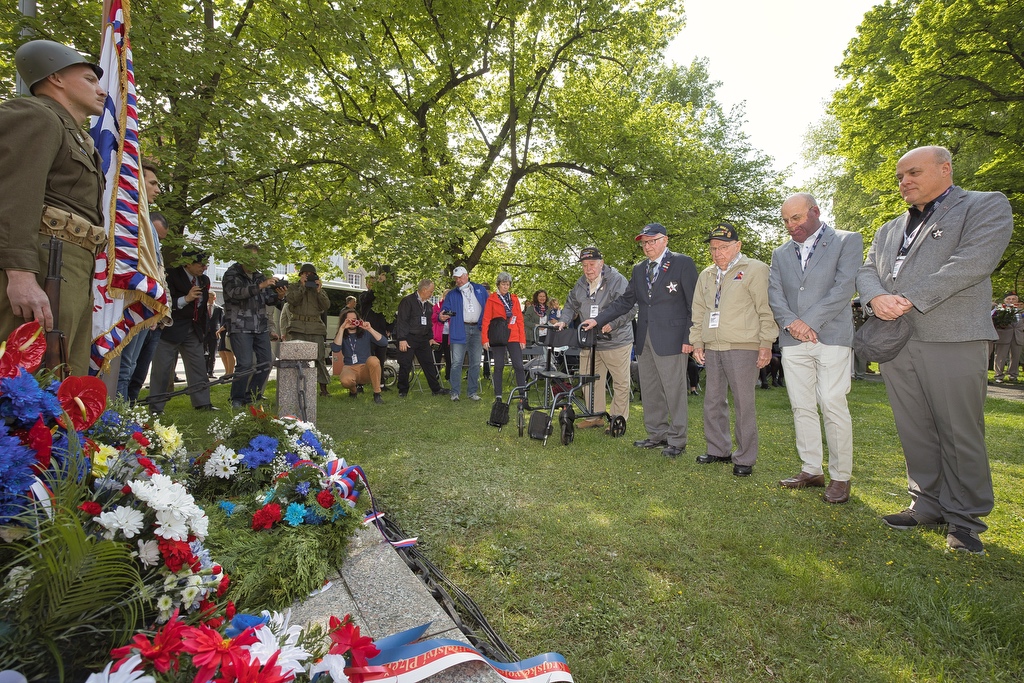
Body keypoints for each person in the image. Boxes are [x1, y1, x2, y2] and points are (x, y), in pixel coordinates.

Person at [857, 145, 1013, 554]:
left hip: (952, 336)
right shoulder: (890, 227)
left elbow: (972, 262)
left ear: (945, 169)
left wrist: (906, 297)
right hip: (897, 340)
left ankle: (965, 521)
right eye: (899, 177)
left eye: (913, 173)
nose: (904, 182)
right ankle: (926, 504)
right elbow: (868, 268)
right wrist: (875, 299)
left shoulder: (984, 205)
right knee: (915, 429)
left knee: (959, 431)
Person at [1, 40, 106, 376]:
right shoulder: (35, 115)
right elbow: (15, 195)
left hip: (69, 266)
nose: (101, 90)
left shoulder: (75, 135)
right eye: (90, 80)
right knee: (25, 384)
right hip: (44, 263)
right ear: (56, 78)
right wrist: (20, 275)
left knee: (62, 380)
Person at [768, 193, 863, 503]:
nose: (790, 225)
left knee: (832, 403)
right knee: (801, 405)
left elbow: (844, 287)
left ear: (815, 212)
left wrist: (808, 322)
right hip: (793, 341)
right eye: (785, 221)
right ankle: (811, 469)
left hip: (831, 337)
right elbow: (775, 294)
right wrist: (792, 323)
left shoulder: (847, 241)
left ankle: (840, 476)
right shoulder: (780, 253)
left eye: (796, 218)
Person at [581, 223, 698, 458]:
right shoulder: (639, 269)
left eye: (652, 241)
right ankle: (656, 434)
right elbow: (624, 302)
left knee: (674, 390)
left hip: (674, 339)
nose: (647, 246)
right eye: (644, 242)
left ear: (665, 240)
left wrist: (690, 337)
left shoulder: (682, 263)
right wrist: (597, 320)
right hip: (644, 338)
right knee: (651, 389)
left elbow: (694, 303)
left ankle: (677, 440)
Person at [689, 222, 778, 476]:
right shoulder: (706, 275)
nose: (717, 253)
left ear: (737, 246)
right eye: (713, 248)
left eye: (723, 247)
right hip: (712, 346)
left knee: (743, 402)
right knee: (713, 401)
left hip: (743, 346)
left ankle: (745, 457)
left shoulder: (755, 269)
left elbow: (766, 309)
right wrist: (697, 341)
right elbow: (699, 312)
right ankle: (718, 449)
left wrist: (765, 344)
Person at [558, 247, 634, 430]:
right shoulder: (581, 283)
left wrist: (612, 323)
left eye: (592, 264)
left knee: (620, 382)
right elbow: (570, 304)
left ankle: (618, 420)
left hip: (616, 340)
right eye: (584, 265)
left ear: (601, 263)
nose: (588, 269)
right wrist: (563, 321)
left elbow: (630, 308)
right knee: (588, 379)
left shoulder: (617, 280)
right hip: (590, 341)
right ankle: (595, 416)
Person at [147, 249, 217, 414]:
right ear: (188, 263)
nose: (204, 268)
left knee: (198, 366)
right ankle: (156, 407)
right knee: (162, 369)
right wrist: (186, 299)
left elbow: (201, 308)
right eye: (201, 264)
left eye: (206, 264)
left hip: (193, 330)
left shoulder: (204, 280)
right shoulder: (170, 276)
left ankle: (202, 403)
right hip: (170, 329)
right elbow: (163, 302)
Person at [222, 244, 287, 408]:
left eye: (256, 257)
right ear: (243, 257)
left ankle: (252, 395)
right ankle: (236, 398)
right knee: (244, 363)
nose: (254, 260)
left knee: (266, 362)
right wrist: (260, 286)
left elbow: (267, 299)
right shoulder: (231, 274)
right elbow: (235, 293)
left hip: (260, 326)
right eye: (251, 256)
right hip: (239, 325)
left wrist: (279, 296)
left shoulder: (259, 276)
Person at [440, 266, 488, 401]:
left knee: (476, 362)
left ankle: (472, 392)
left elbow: (488, 307)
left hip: (477, 330)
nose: (458, 280)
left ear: (466, 275)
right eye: (456, 278)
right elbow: (445, 310)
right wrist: (442, 316)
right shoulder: (452, 294)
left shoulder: (480, 289)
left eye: (460, 277)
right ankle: (455, 392)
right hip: (460, 330)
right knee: (456, 363)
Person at [394, 279, 447, 397]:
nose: (431, 294)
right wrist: (402, 339)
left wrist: (430, 338)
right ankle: (403, 390)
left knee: (428, 364)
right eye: (431, 292)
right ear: (423, 290)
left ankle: (436, 389)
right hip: (408, 338)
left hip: (423, 339)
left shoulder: (428, 306)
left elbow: (428, 323)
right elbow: (402, 321)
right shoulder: (407, 301)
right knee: (405, 364)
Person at [286, 263, 331, 396]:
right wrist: (302, 287)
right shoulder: (294, 287)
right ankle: (294, 386)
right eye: (305, 273)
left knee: (319, 358)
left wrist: (318, 291)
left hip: (315, 328)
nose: (308, 276)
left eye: (310, 274)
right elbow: (292, 300)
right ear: (300, 275)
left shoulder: (318, 289)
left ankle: (323, 388)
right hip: (298, 327)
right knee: (296, 358)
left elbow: (326, 305)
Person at [481, 273, 527, 400]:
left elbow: (519, 320)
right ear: (498, 285)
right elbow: (486, 320)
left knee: (518, 365)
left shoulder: (514, 299)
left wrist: (522, 339)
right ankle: (498, 395)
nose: (506, 287)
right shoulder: (491, 299)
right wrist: (485, 339)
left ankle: (523, 394)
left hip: (513, 335)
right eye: (503, 284)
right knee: (499, 365)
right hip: (498, 336)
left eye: (508, 284)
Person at [331, 309, 388, 404]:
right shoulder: (342, 334)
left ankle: (377, 394)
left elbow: (383, 343)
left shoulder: (365, 333)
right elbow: (335, 349)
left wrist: (370, 328)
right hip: (350, 367)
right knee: (345, 381)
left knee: (374, 360)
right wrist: (341, 329)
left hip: (366, 367)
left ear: (358, 319)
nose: (352, 322)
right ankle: (354, 391)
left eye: (354, 319)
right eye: (348, 320)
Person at [992, 292, 1022, 383]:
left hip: (1017, 336)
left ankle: (1013, 375)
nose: (1011, 301)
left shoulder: (1021, 310)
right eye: (1009, 299)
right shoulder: (1000, 309)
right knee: (1000, 356)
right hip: (1004, 335)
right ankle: (998, 375)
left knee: (1015, 357)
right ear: (1005, 300)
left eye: (1013, 299)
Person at [432, 289, 452, 383]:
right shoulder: (437, 306)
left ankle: (449, 376)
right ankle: (435, 375)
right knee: (437, 356)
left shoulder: (454, 306)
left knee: (449, 357)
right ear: (443, 296)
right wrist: (440, 316)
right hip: (438, 336)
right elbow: (432, 318)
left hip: (449, 336)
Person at [205, 291, 223, 377]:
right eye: (208, 297)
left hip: (214, 334)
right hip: (204, 334)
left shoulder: (219, 309)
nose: (209, 299)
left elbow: (221, 322)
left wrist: (219, 332)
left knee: (212, 354)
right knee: (204, 353)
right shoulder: (203, 308)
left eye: (211, 297)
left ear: (214, 298)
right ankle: (204, 371)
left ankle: (211, 372)